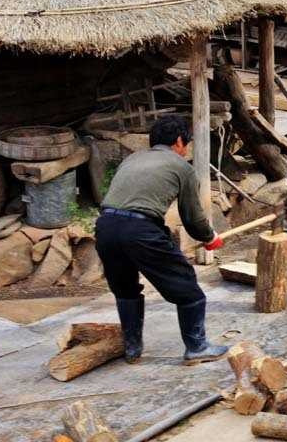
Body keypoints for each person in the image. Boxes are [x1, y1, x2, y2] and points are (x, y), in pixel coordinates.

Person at [95, 115, 229, 365]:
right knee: (187, 289)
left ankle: (132, 348)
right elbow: (192, 218)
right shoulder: (182, 167)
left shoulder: (132, 159)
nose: (186, 149)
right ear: (178, 141)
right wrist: (210, 237)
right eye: (186, 144)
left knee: (125, 289)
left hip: (106, 226)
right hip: (140, 229)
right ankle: (197, 347)